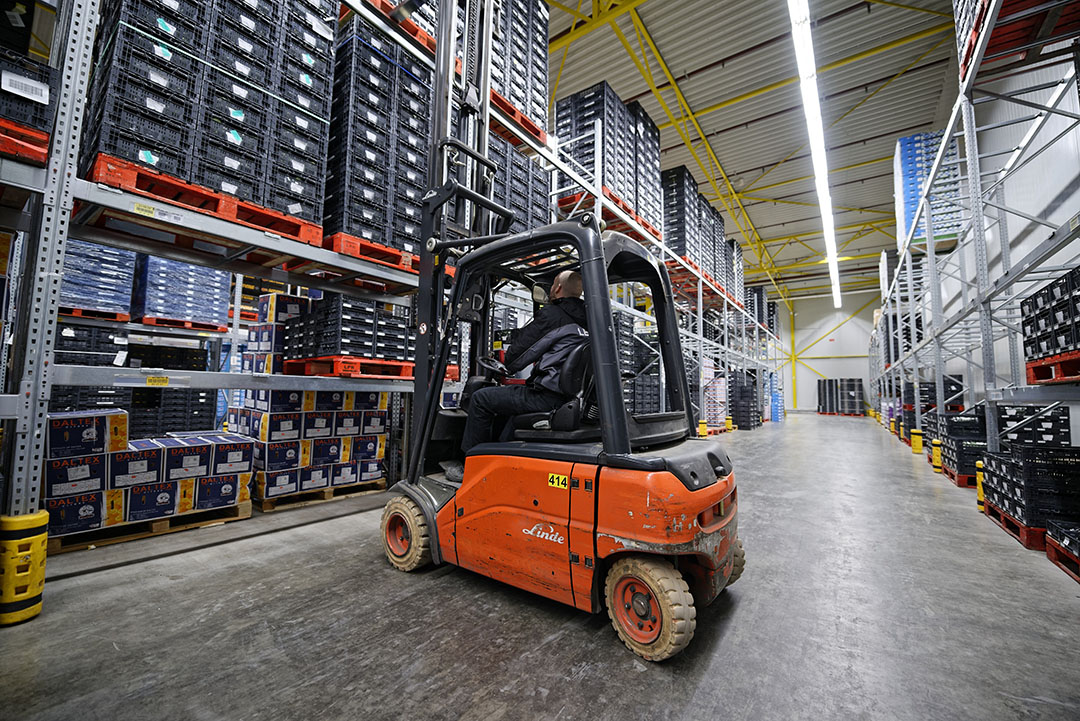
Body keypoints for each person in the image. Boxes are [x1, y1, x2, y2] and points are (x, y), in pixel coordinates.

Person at [446, 269, 588, 481]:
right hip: (570, 399)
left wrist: (504, 361)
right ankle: (497, 459)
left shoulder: (553, 315)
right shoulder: (588, 320)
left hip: (546, 398)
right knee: (509, 407)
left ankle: (470, 467)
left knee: (481, 398)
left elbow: (515, 357)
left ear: (557, 288)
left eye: (552, 285)